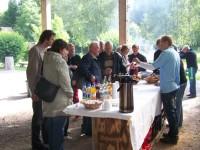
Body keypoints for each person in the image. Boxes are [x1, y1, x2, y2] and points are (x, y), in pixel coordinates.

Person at [133, 36, 180, 144]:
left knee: (170, 113)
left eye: (161, 43)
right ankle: (173, 133)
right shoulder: (174, 52)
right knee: (172, 112)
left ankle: (173, 137)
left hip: (168, 88)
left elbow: (153, 67)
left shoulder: (166, 53)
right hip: (173, 85)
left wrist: (139, 62)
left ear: (167, 42)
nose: (159, 46)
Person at [26, 30, 55, 150]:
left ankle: (44, 140)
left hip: (43, 88)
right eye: (52, 39)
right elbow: (31, 73)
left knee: (43, 115)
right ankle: (36, 144)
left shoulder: (45, 51)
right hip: (38, 89)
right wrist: (33, 92)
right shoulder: (35, 50)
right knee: (37, 117)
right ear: (46, 39)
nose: (53, 41)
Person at [43, 39, 73, 150]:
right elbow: (65, 82)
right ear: (61, 50)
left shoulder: (46, 58)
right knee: (58, 135)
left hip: (48, 99)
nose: (67, 52)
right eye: (66, 50)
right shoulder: (60, 61)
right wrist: (71, 94)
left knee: (51, 133)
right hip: (59, 102)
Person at [76, 41, 102, 136]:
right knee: (88, 108)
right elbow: (82, 68)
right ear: (91, 48)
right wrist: (90, 75)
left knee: (92, 107)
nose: (99, 49)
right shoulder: (87, 57)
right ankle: (87, 130)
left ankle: (89, 129)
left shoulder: (94, 58)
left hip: (93, 86)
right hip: (89, 87)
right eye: (97, 47)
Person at [64, 43, 81, 139]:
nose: (72, 50)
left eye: (73, 48)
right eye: (70, 49)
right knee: (69, 97)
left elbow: (79, 68)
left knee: (75, 96)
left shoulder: (77, 57)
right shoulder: (66, 57)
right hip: (67, 79)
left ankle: (78, 113)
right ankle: (70, 112)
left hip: (74, 79)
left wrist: (75, 78)